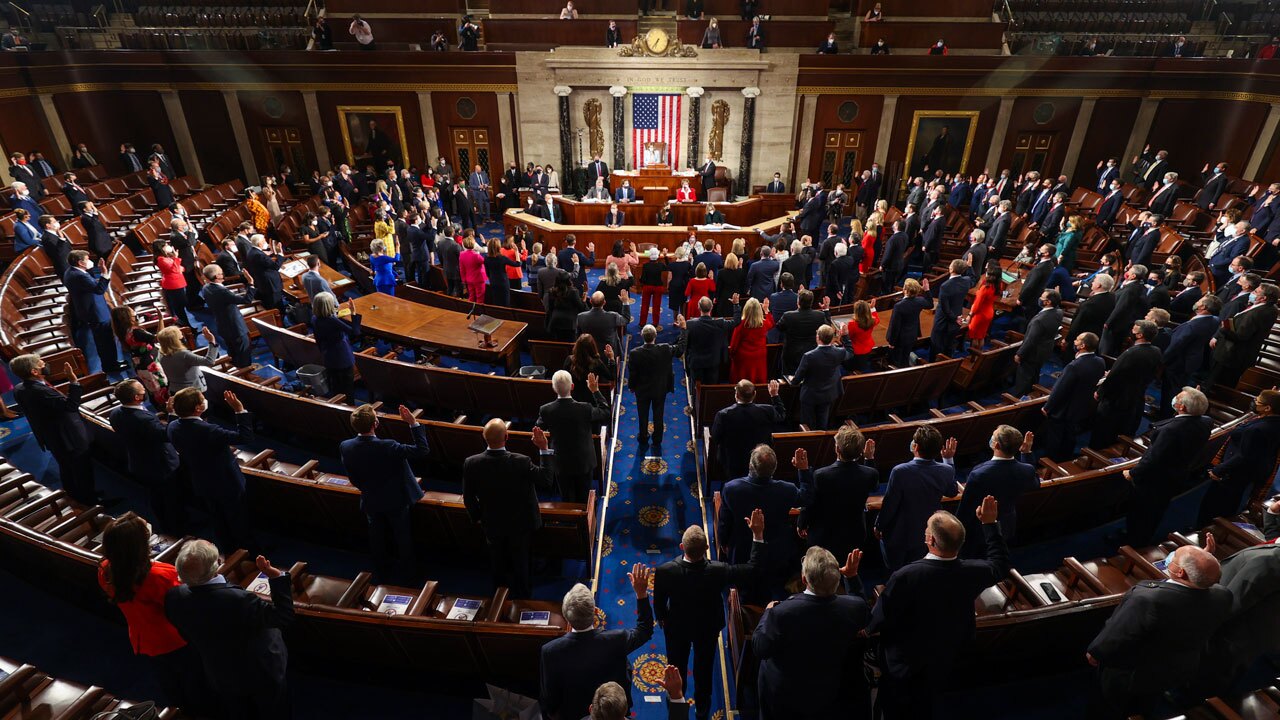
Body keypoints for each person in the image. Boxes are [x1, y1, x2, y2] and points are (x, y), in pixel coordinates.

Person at [870, 497, 1010, 719]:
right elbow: (1000, 565)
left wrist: (867, 630)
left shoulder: (905, 576)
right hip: (947, 653)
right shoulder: (973, 572)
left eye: (927, 529)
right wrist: (990, 524)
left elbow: (881, 616)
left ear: (931, 541)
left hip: (905, 661)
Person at [1085, 545, 1231, 719]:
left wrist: (1096, 653)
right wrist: (1201, 566)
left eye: (1174, 557)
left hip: (1132, 675)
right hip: (1175, 668)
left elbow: (1118, 637)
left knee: (1111, 708)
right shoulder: (1223, 595)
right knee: (1146, 703)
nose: (1170, 558)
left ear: (1179, 572)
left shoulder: (1147, 599)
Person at [165, 541, 294, 720]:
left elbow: (185, 634)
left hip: (219, 672)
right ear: (217, 563)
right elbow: (283, 617)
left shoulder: (174, 596)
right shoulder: (238, 600)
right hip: (261, 670)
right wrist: (276, 577)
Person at [655, 510, 764, 720]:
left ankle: (676, 705)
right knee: (703, 671)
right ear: (706, 548)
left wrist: (663, 620)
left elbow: (659, 603)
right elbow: (753, 570)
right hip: (707, 627)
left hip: (677, 629)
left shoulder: (665, 571)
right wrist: (757, 534)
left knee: (675, 669)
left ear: (681, 547)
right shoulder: (719, 570)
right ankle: (702, 712)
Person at [98, 513, 204, 708]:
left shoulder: (105, 570)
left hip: (142, 636)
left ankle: (177, 709)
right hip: (174, 639)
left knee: (168, 679)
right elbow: (184, 604)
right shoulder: (159, 575)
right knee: (193, 679)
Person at [754, 545, 871, 720]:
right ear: (837, 580)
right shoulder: (853, 608)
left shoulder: (781, 613)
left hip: (784, 696)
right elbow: (862, 608)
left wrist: (768, 612)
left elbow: (760, 647)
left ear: (804, 579)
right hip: (828, 689)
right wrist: (852, 576)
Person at [540, 567, 653, 720]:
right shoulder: (617, 640)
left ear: (566, 617)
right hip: (614, 714)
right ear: (595, 612)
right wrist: (641, 594)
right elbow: (645, 630)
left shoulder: (550, 651)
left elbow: (550, 700)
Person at [339, 403, 430, 584]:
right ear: (376, 424)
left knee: (377, 537)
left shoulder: (345, 446)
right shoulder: (388, 446)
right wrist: (413, 423)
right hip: (396, 500)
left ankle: (382, 573)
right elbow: (422, 450)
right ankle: (409, 575)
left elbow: (353, 477)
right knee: (402, 536)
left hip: (370, 499)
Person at [464, 418, 555, 598]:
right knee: (522, 564)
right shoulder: (521, 461)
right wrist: (544, 448)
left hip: (492, 523)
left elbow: (468, 498)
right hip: (521, 524)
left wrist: (480, 518)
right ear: (507, 436)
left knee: (497, 563)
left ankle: (499, 599)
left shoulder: (471, 463)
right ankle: (523, 598)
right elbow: (546, 480)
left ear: (484, 437)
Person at [1119, 387, 1212, 546]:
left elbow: (1154, 458)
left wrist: (1133, 473)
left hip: (1154, 480)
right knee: (1156, 511)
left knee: (1141, 511)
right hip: (1176, 476)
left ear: (1181, 407)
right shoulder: (1206, 421)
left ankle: (1133, 543)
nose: (1174, 398)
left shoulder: (1171, 430)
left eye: (1178, 397)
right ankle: (1141, 536)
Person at [167, 388, 256, 553]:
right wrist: (239, 410)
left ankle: (228, 550)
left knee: (218, 518)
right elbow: (245, 438)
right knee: (238, 519)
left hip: (202, 481)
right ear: (198, 409)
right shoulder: (208, 430)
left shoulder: (172, 426)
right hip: (227, 482)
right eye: (202, 399)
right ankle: (248, 553)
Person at [718, 444, 805, 602]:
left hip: (743, 550)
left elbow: (725, 521)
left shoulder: (731, 489)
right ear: (774, 468)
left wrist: (723, 541)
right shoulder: (788, 490)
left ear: (750, 465)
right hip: (777, 551)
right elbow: (807, 498)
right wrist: (803, 470)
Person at [12, 354, 100, 504]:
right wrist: (73, 380)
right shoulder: (41, 391)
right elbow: (70, 406)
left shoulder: (19, 388)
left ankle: (76, 495)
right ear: (34, 371)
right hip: (67, 437)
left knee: (67, 468)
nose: (45, 364)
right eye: (41, 364)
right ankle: (91, 501)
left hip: (51, 436)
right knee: (81, 469)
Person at [875, 426, 960, 570]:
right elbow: (952, 491)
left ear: (915, 446)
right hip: (926, 533)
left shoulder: (900, 471)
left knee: (896, 572)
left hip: (898, 535)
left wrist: (879, 525)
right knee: (918, 570)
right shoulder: (946, 469)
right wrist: (948, 459)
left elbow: (890, 504)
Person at [109, 381, 184, 533]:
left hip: (139, 461)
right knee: (170, 499)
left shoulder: (115, 413)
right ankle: (177, 529)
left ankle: (165, 523)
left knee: (155, 496)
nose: (145, 389)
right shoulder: (144, 420)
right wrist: (172, 413)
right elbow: (167, 435)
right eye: (142, 389)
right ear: (137, 397)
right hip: (160, 464)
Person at [798, 425, 878, 565]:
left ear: (837, 449)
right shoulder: (870, 473)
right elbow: (874, 485)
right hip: (854, 532)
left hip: (824, 535)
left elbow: (810, 503)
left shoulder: (821, 475)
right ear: (861, 452)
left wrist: (801, 523)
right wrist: (869, 459)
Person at [1198, 389, 1280, 524]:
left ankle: (1205, 529)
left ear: (1267, 408)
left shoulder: (1257, 429)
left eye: (1258, 401)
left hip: (1233, 474)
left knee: (1213, 506)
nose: (1254, 402)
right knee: (1230, 502)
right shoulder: (1273, 422)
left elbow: (1243, 456)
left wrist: (1219, 470)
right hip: (1249, 474)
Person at [955, 426, 1037, 558]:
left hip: (980, 529)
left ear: (996, 445)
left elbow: (965, 509)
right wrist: (1026, 453)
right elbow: (1035, 483)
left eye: (993, 436)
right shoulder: (1027, 470)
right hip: (1007, 523)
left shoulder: (979, 473)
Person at [537, 370, 610, 503]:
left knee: (566, 498)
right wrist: (595, 390)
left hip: (561, 462)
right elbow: (605, 412)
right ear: (572, 386)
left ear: (554, 388)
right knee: (585, 499)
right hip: (584, 461)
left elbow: (538, 429)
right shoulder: (585, 408)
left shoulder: (546, 410)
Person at [1091, 320, 1163, 448]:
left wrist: (1100, 392)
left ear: (1140, 335)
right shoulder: (1156, 350)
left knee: (1104, 427)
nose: (1131, 332)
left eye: (1134, 330)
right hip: (1136, 394)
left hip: (1117, 398)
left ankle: (1097, 450)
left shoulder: (1130, 353)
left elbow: (1114, 377)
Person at [1041, 332, 1105, 460]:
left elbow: (1060, 390)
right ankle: (1066, 458)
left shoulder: (1074, 366)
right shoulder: (1100, 361)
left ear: (1082, 345)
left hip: (1064, 409)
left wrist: (1047, 407)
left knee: (1055, 438)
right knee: (1070, 435)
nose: (1074, 342)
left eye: (1077, 340)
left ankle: (1050, 462)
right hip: (1082, 407)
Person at [710, 380, 785, 481]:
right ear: (754, 394)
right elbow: (781, 415)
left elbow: (715, 438)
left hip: (731, 460)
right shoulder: (767, 410)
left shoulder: (723, 414)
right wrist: (774, 395)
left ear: (736, 395)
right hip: (760, 459)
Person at [1209, 283, 1279, 389]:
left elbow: (1240, 336)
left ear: (1263, 298)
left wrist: (1224, 329)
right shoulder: (1271, 309)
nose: (1252, 293)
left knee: (1215, 384)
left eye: (1256, 292)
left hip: (1231, 355)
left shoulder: (1256, 313)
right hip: (1241, 356)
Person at [64, 250, 125, 373]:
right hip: (95, 312)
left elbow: (89, 283)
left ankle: (111, 362)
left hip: (89, 309)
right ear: (81, 263)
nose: (89, 261)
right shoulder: (80, 276)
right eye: (87, 259)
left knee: (103, 339)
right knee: (105, 340)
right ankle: (111, 366)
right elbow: (99, 289)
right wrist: (104, 273)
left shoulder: (71, 271)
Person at [792, 323, 851, 431]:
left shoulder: (809, 356)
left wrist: (793, 381)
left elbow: (798, 377)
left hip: (810, 395)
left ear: (817, 337)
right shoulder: (839, 352)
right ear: (832, 338)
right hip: (828, 393)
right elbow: (850, 352)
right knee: (823, 422)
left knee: (808, 424)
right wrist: (845, 336)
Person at [200, 264, 255, 368]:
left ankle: (236, 367)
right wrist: (250, 283)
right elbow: (247, 300)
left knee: (232, 349)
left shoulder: (206, 288)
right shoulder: (222, 291)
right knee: (243, 350)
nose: (223, 274)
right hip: (235, 326)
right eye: (221, 273)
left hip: (222, 324)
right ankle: (246, 370)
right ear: (217, 277)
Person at [628, 324, 675, 448]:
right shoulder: (665, 349)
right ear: (656, 335)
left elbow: (633, 373)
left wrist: (631, 386)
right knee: (658, 414)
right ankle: (657, 439)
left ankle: (643, 437)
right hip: (659, 388)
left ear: (642, 336)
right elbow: (680, 348)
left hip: (642, 390)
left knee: (642, 414)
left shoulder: (634, 353)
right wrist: (684, 329)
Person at [111, 306, 169, 404]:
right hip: (151, 365)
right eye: (131, 310)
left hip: (139, 365)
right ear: (126, 316)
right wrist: (160, 319)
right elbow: (159, 338)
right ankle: (167, 409)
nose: (134, 311)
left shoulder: (124, 331)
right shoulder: (136, 331)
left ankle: (161, 409)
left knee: (152, 390)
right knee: (161, 388)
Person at [1012, 289, 1063, 396]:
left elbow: (1031, 340)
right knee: (1034, 374)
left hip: (1032, 353)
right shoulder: (1058, 312)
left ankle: (1019, 399)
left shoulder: (1039, 320)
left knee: (1024, 377)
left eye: (1042, 297)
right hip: (1044, 350)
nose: (1039, 298)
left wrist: (1019, 354)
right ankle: (1031, 393)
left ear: (1048, 302)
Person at [310, 293, 361, 398]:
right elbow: (355, 332)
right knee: (347, 388)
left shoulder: (314, 319)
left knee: (335, 386)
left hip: (328, 356)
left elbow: (318, 340)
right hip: (342, 357)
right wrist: (353, 312)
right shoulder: (332, 320)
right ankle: (349, 406)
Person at [1100, 264, 1151, 357]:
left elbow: (1121, 307)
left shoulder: (1131, 289)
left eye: (1129, 270)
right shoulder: (1136, 285)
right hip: (1120, 323)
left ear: (1133, 276)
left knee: (1106, 349)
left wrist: (1108, 322)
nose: (1127, 271)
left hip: (1116, 324)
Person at [774, 289, 829, 374]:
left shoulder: (788, 316)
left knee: (791, 381)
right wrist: (826, 310)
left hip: (791, 356)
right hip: (812, 354)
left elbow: (779, 327)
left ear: (798, 301)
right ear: (811, 302)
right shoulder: (820, 315)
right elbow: (828, 327)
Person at [156, 326, 218, 394]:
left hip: (175, 391)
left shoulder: (161, 353)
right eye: (181, 335)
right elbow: (209, 361)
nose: (183, 337)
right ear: (176, 340)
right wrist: (212, 341)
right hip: (193, 392)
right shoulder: (183, 355)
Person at [931, 259, 972, 359]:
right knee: (949, 345)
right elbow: (973, 277)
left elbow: (945, 307)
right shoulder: (967, 281)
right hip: (957, 317)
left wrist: (954, 318)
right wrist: (970, 267)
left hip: (943, 321)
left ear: (951, 269)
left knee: (937, 345)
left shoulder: (945, 286)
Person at [886, 278, 931, 367]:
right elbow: (930, 304)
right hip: (912, 335)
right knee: (905, 356)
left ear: (905, 290)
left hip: (900, 339)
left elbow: (895, 326)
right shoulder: (920, 301)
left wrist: (891, 342)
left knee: (897, 360)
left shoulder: (899, 306)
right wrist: (927, 290)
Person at [1065, 273, 1115, 351]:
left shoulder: (1089, 304)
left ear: (1099, 285)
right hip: (1097, 336)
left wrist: (1067, 339)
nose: (1092, 282)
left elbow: (1077, 323)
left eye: (1094, 281)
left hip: (1082, 338)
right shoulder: (1112, 297)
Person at [728, 297, 773, 385]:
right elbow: (771, 323)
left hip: (743, 359)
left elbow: (733, 345)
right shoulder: (763, 324)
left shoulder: (740, 324)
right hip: (759, 357)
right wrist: (766, 310)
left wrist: (732, 355)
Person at [564, 334, 616, 404]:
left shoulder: (569, 360)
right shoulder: (597, 363)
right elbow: (611, 377)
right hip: (591, 402)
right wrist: (611, 359)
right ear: (593, 347)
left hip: (573, 400)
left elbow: (564, 380)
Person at [964, 265, 1001, 347]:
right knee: (981, 336)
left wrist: (970, 315)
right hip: (989, 313)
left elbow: (977, 304)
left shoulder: (985, 288)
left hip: (980, 315)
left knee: (974, 337)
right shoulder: (996, 286)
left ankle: (973, 357)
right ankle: (979, 355)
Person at [546, 274, 587, 342]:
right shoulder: (573, 292)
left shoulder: (551, 291)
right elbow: (581, 307)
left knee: (558, 344)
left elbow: (550, 308)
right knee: (569, 346)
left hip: (555, 321)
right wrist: (584, 298)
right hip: (569, 324)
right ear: (568, 281)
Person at [636, 248, 667, 327]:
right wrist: (665, 256)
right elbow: (668, 266)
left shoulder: (645, 266)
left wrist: (640, 280)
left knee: (644, 305)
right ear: (657, 256)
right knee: (656, 306)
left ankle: (642, 323)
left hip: (647, 287)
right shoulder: (660, 265)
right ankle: (655, 323)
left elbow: (643, 279)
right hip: (658, 287)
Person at [844, 300, 878, 372]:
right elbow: (876, 318)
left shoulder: (852, 324)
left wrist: (842, 332)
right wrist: (872, 308)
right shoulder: (873, 320)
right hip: (867, 348)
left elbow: (848, 337)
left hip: (855, 351)